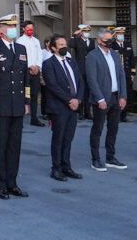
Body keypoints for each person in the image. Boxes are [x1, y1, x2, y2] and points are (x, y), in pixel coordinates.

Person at [0, 14, 30, 200]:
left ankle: (13, 183)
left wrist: (26, 102)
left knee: (15, 147)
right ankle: (1, 186)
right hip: (1, 107)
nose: (13, 28)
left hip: (17, 105)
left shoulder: (21, 48)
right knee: (1, 146)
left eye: (14, 25)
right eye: (9, 25)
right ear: (0, 29)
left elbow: (25, 78)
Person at [42, 34, 84, 181]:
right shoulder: (48, 64)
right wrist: (69, 100)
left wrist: (78, 99)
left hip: (73, 106)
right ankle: (56, 168)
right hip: (59, 107)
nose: (64, 47)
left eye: (65, 44)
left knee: (68, 138)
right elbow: (53, 86)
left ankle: (66, 166)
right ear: (53, 48)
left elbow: (79, 81)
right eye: (60, 45)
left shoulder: (71, 62)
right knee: (58, 138)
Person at [86, 28, 128, 172]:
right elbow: (92, 79)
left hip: (115, 97)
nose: (110, 42)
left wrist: (123, 96)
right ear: (99, 41)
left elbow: (121, 76)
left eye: (111, 39)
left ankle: (110, 157)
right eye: (107, 40)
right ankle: (96, 159)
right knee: (97, 129)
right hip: (102, 99)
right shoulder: (92, 56)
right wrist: (100, 98)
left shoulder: (115, 55)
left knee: (113, 129)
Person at [16, 20, 45, 127]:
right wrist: (29, 67)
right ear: (23, 29)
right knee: (23, 94)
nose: (30, 30)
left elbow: (40, 55)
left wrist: (38, 66)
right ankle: (20, 119)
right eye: (28, 28)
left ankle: (34, 118)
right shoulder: (20, 41)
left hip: (36, 71)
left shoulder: (36, 41)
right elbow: (20, 57)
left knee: (34, 94)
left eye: (31, 28)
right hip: (26, 71)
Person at [69, 24, 96, 119]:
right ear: (81, 32)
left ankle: (88, 112)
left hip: (89, 68)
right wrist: (74, 35)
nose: (87, 33)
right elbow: (70, 44)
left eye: (88, 31)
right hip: (80, 68)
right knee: (81, 90)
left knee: (88, 91)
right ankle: (80, 112)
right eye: (85, 31)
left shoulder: (91, 41)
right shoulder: (77, 40)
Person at [111, 26, 135, 122]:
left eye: (122, 34)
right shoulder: (112, 45)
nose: (121, 35)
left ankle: (124, 115)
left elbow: (132, 59)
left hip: (127, 73)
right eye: (119, 34)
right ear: (115, 35)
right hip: (116, 73)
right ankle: (117, 113)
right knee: (117, 93)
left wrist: (133, 73)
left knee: (126, 93)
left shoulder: (127, 44)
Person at [40, 36, 53, 119]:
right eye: (48, 42)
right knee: (44, 95)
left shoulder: (53, 52)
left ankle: (50, 112)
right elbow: (40, 65)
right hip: (44, 75)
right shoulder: (42, 52)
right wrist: (41, 78)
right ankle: (44, 112)